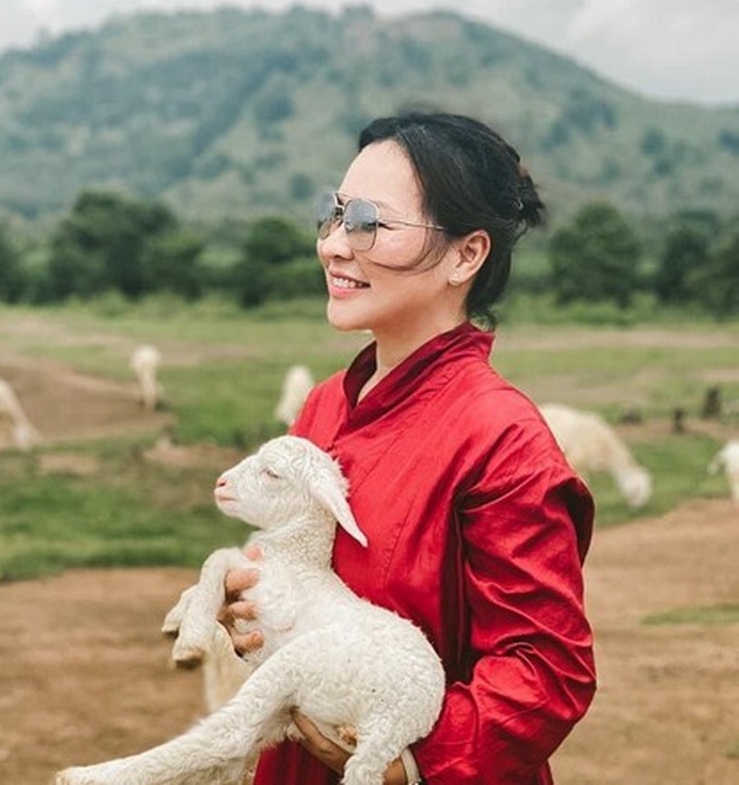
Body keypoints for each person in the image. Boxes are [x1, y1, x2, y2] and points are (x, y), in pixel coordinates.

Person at [222, 112, 597, 784]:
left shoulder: (502, 441)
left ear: (466, 254)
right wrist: (254, 608)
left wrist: (407, 760)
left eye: (370, 222)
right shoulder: (326, 404)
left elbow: (546, 672)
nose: (336, 244)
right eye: (333, 215)